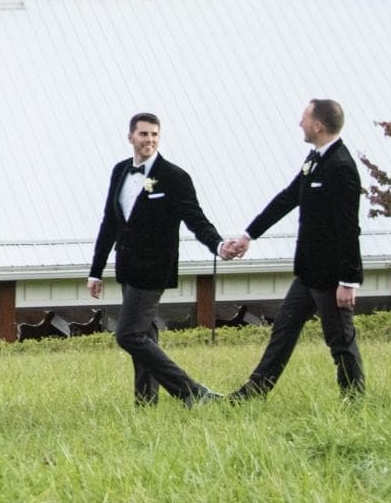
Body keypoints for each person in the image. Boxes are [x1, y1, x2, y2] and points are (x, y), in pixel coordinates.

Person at [221, 99, 366, 399]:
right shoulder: (315, 159)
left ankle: (354, 401)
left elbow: (349, 228)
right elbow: (288, 198)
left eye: (304, 118)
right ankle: (253, 393)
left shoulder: (341, 167)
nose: (300, 123)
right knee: (283, 330)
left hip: (331, 276)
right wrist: (249, 235)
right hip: (307, 272)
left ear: (318, 126)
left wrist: (349, 281)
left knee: (340, 340)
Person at [88, 112, 228, 406]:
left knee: (128, 335)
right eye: (143, 134)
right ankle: (145, 403)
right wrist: (96, 270)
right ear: (131, 137)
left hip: (154, 269)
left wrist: (217, 245)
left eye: (154, 134)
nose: (149, 140)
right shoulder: (120, 171)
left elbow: (196, 219)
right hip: (127, 267)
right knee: (145, 335)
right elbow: (110, 222)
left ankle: (193, 393)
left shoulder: (174, 177)